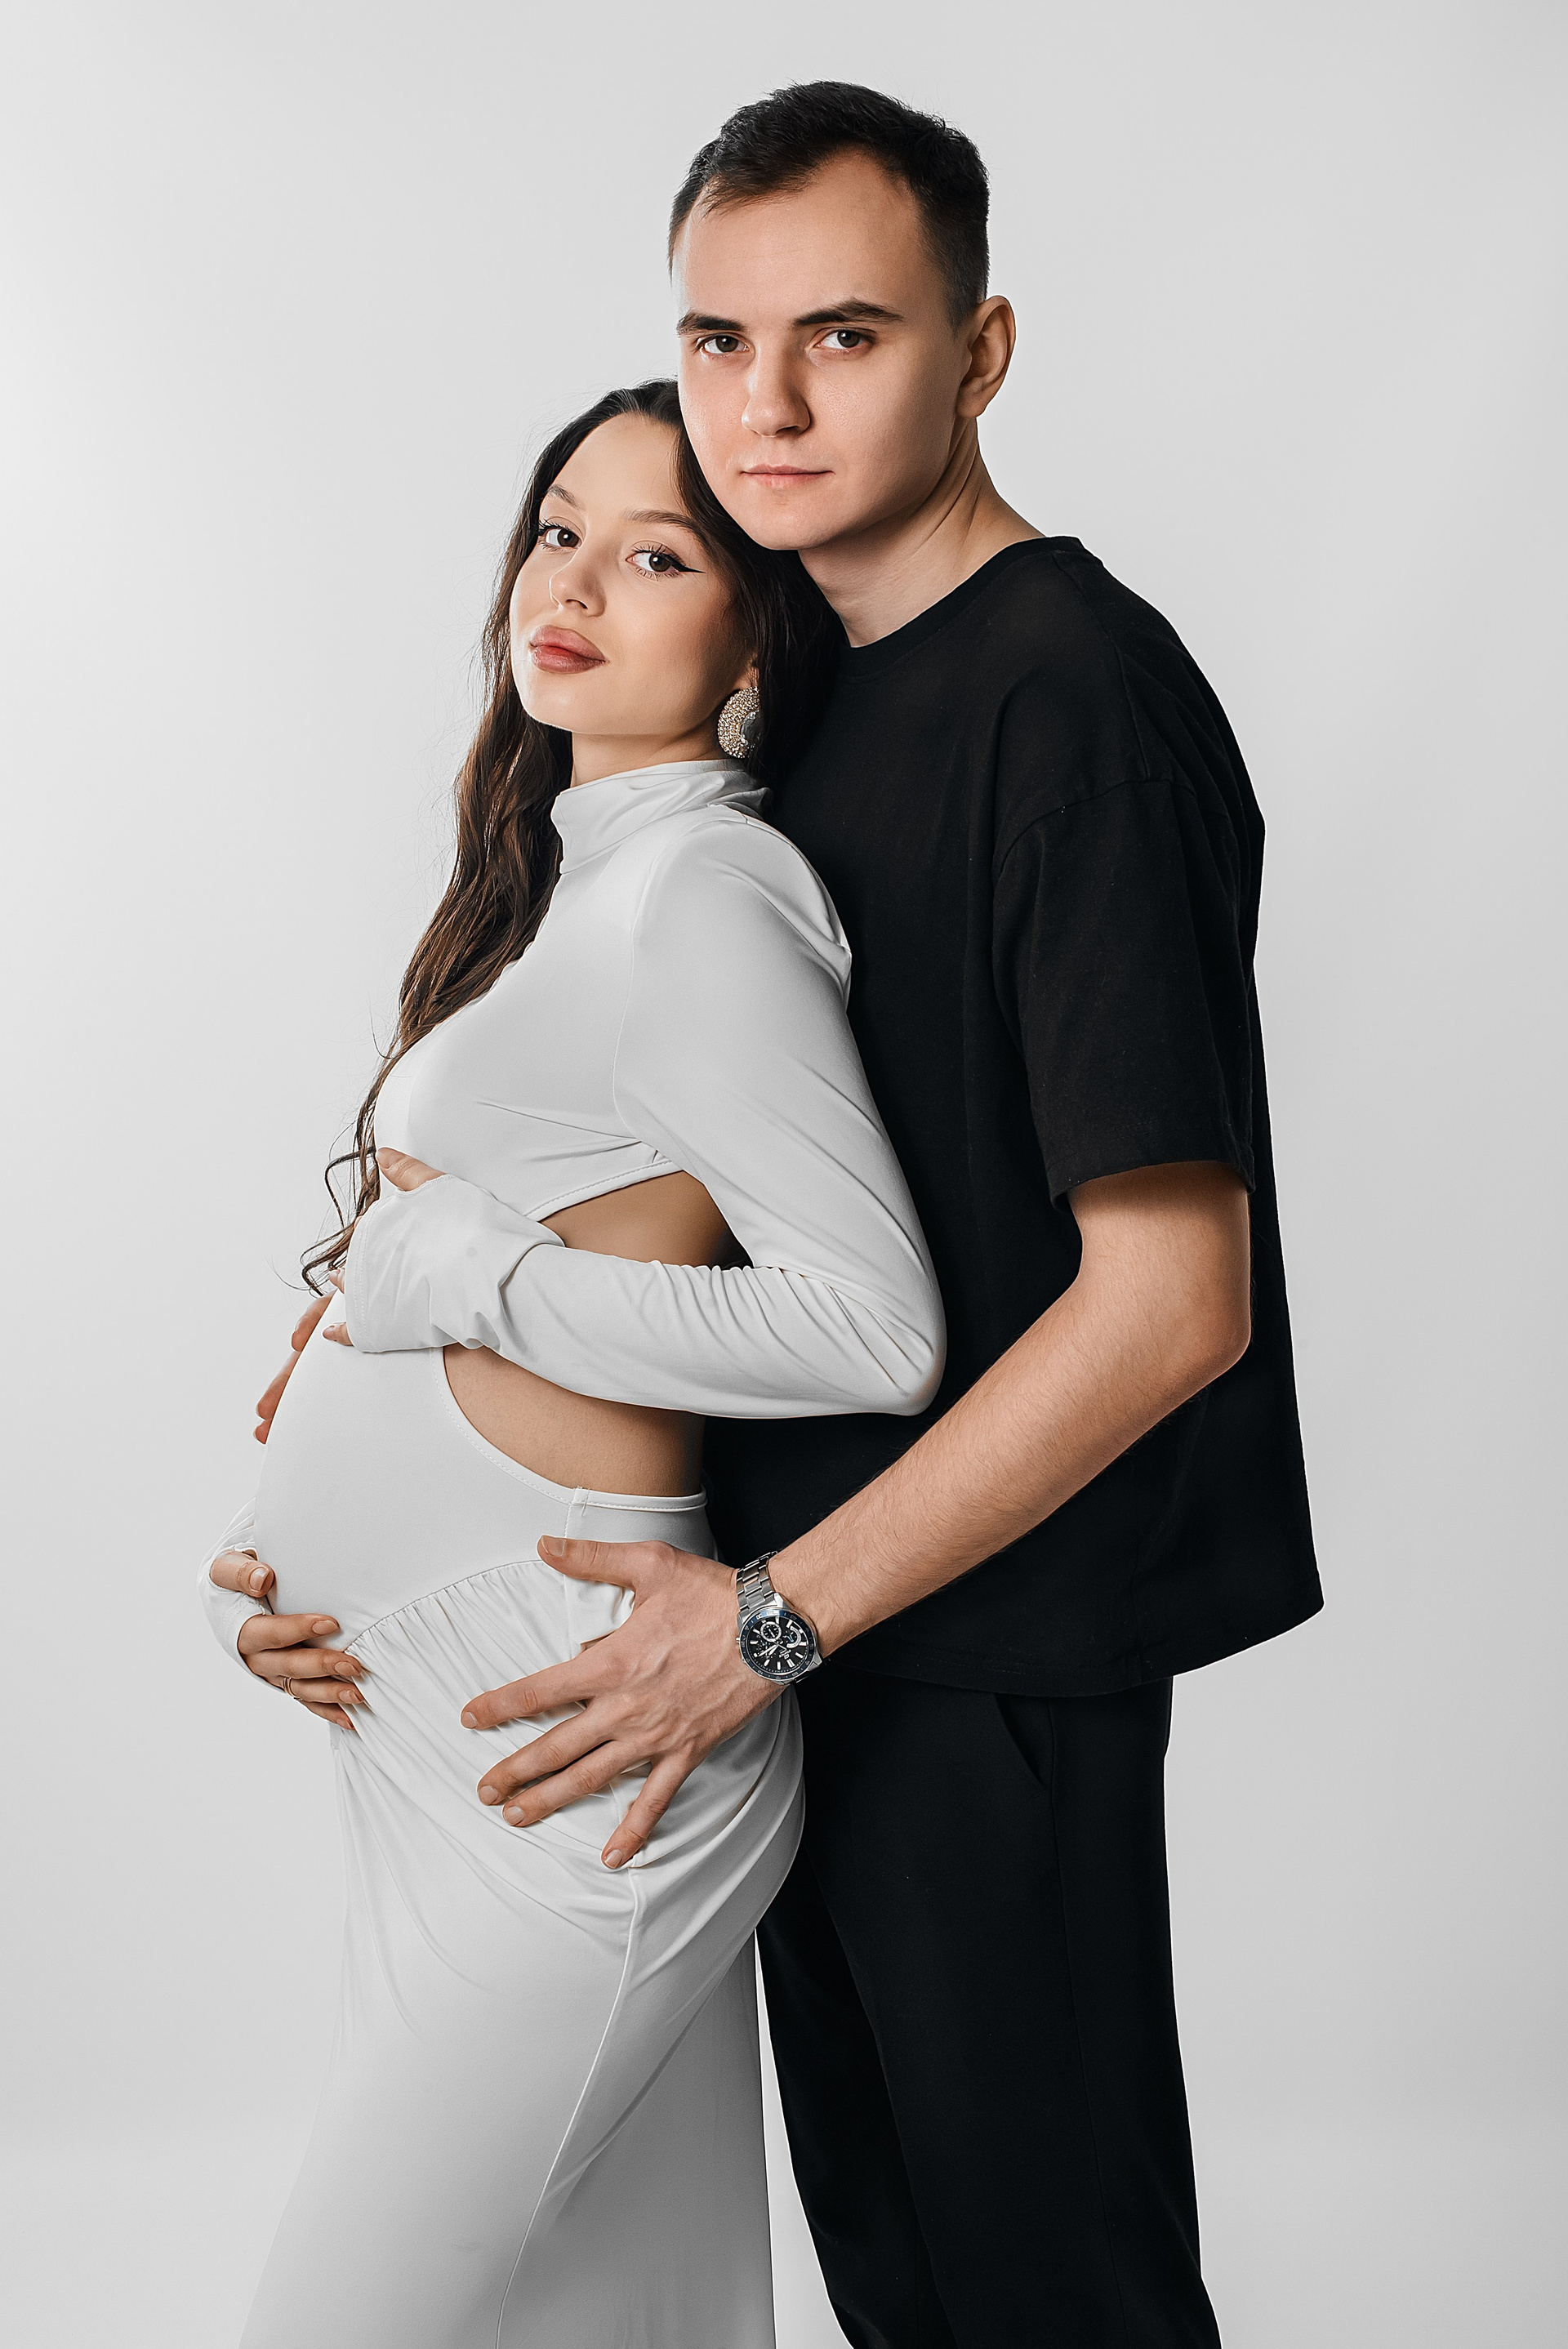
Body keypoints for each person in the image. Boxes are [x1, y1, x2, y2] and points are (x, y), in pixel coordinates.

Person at [241, 82, 1324, 2349]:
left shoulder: (1071, 696)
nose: (769, 403)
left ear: (982, 350)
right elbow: (658, 1194)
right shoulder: (800, 721)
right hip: (775, 1664)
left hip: (974, 1663)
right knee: (907, 2301)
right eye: (718, 340)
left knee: (1055, 2299)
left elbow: (1174, 1299)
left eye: (844, 334)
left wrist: (768, 1621)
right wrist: (370, 1441)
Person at [198, 377, 945, 2349]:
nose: (575, 584)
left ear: (756, 641)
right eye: (557, 530)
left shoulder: (705, 892)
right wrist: (283, 1559)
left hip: (575, 1745)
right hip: (453, 1729)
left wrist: (479, 1272)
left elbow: (871, 1326)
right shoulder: (577, 894)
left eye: (656, 553)